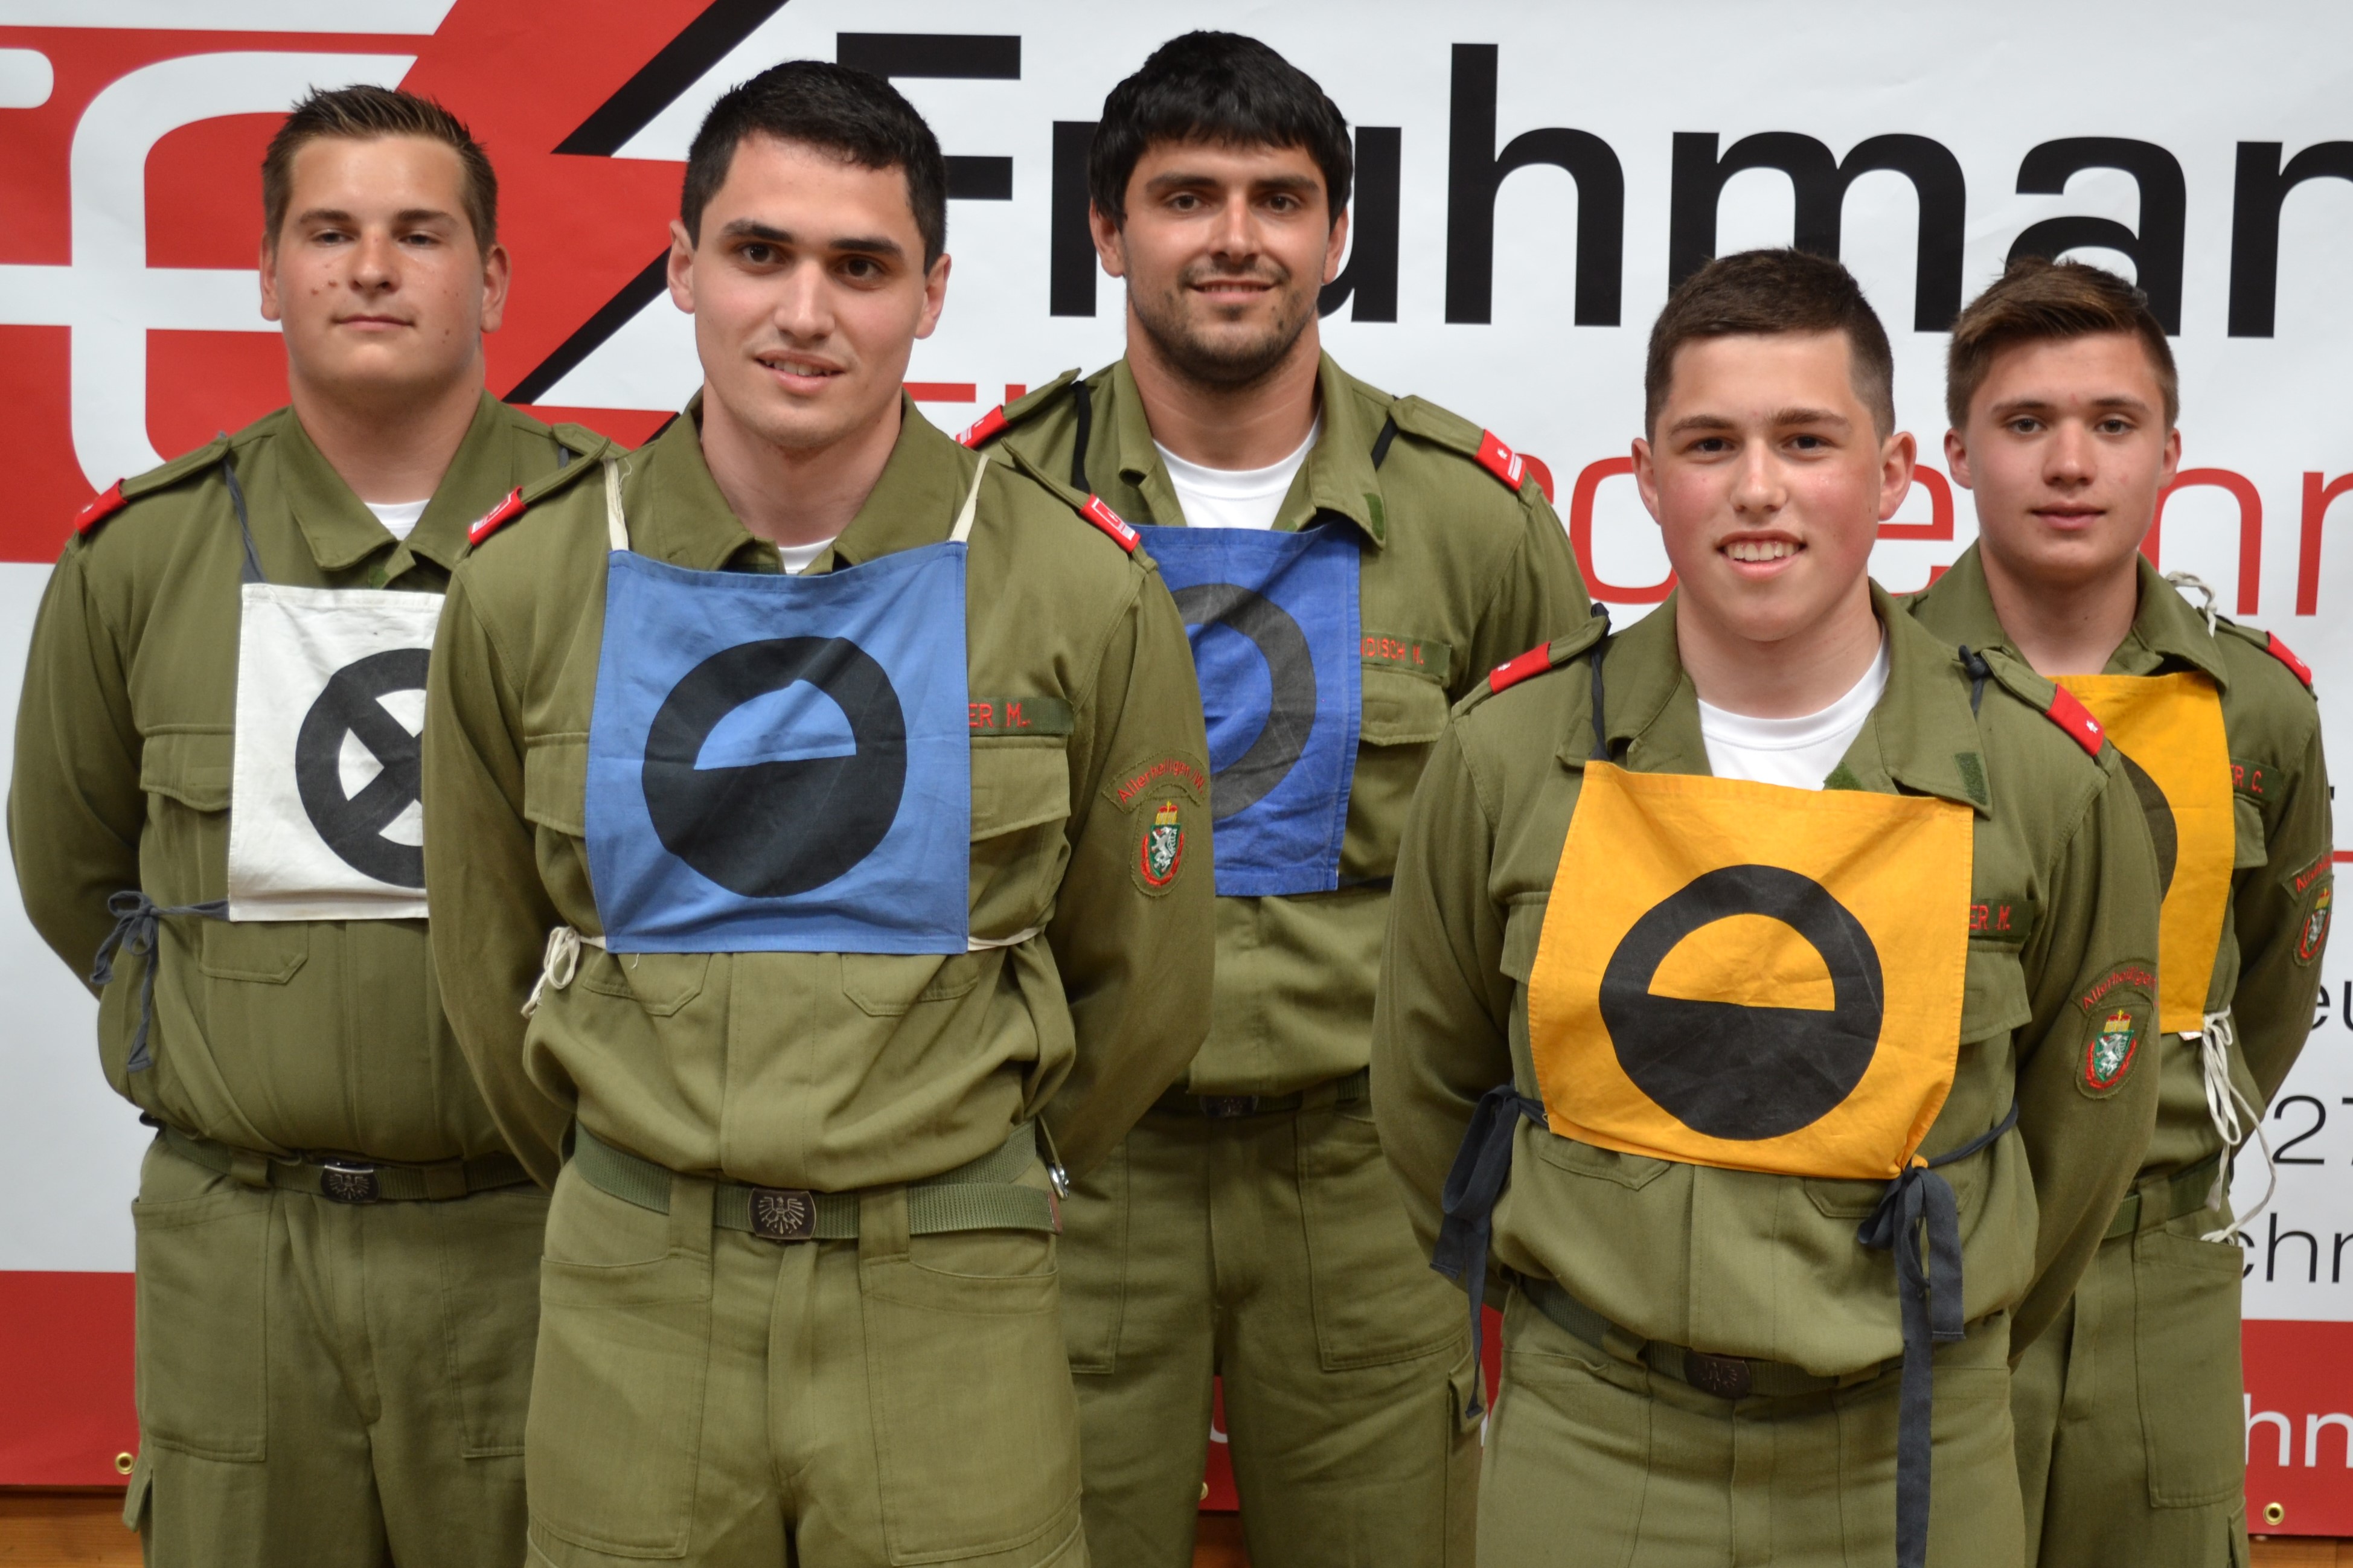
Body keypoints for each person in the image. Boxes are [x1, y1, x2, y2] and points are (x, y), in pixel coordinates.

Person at [420, 60, 1214, 1567]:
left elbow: (1149, 979)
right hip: (633, 1305)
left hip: (950, 1300)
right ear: (680, 268)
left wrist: (987, 1178)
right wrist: (638, 1173)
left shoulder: (1075, 589)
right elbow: (481, 962)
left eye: (860, 266)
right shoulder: (526, 587)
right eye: (758, 252)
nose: (804, 312)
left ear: (929, 295)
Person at [1372, 248, 2164, 1568]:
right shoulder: (1505, 756)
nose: (1756, 489)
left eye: (1805, 440)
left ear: (1894, 471)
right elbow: (1425, 1097)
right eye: (1709, 444)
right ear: (1643, 476)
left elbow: (2079, 1146)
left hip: (1908, 1448)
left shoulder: (2044, 784)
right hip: (1593, 1441)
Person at [967, 31, 1590, 1568]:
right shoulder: (990, 509)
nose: (1234, 237)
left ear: (1336, 233)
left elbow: (1569, 874)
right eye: (1185, 197)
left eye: (1278, 198)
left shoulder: (1473, 522)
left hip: (1364, 1178)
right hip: (1072, 1167)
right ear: (1106, 230)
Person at [8, 85, 598, 1565]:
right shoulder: (141, 555)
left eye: (419, 233)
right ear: (267, 275)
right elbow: (75, 871)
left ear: (493, 279)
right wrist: (240, 1041)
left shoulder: (625, 540)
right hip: (240, 1254)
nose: (371, 268)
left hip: (542, 1235)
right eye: (328, 233)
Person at [1907, 257, 2331, 1567]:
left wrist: (2144, 1141)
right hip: (1917, 1266)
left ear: (2169, 454)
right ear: (1956, 453)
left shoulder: (2251, 706)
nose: (2068, 462)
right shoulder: (1869, 684)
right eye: (2024, 422)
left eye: (2110, 422)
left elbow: (2272, 985)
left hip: (2160, 1282)